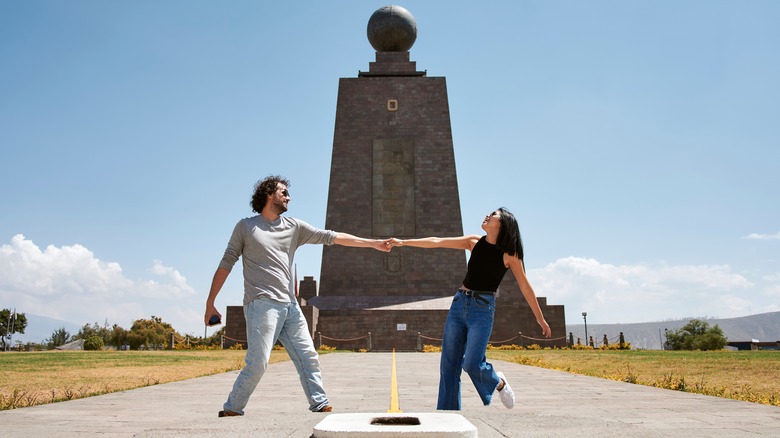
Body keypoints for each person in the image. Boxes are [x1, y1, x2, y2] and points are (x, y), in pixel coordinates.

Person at [205, 175, 390, 417]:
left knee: (308, 356)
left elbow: (330, 236)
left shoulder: (294, 227)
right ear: (269, 194)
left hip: (290, 307)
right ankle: (233, 407)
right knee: (258, 362)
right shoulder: (246, 227)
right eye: (283, 192)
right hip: (261, 304)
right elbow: (227, 261)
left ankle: (319, 401)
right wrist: (210, 303)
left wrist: (372, 244)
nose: (288, 197)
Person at [387, 208, 552, 410]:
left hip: (482, 310)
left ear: (503, 223)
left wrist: (540, 318)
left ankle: (498, 382)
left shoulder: (510, 254)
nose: (488, 215)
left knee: (472, 364)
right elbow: (438, 241)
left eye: (494, 214)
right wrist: (404, 242)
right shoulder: (474, 242)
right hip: (459, 305)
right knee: (448, 366)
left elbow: (525, 286)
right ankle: (448, 416)